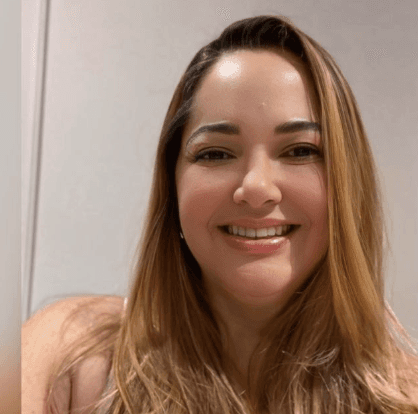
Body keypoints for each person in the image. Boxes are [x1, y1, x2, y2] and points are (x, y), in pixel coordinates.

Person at [22, 15, 418, 414]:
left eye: (300, 150)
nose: (257, 187)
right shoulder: (72, 356)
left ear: (348, 184)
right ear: (172, 185)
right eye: (215, 153)